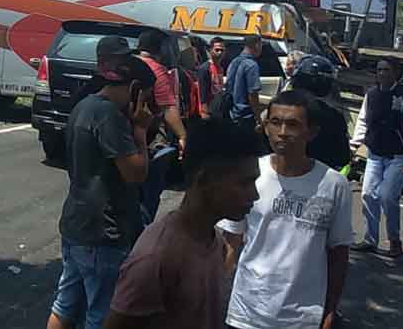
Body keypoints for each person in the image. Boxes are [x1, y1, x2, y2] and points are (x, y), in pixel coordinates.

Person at [104, 119, 263, 329]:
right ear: (204, 179)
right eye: (244, 183)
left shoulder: (214, 241)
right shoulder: (156, 258)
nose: (254, 195)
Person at [220, 90, 353, 329]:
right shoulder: (250, 174)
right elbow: (231, 241)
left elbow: (339, 253)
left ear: (311, 132)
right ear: (265, 127)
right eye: (275, 122)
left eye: (292, 125)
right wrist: (214, 294)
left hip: (302, 318)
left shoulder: (334, 185)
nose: (282, 132)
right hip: (246, 313)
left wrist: (331, 309)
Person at [48, 55, 156, 329]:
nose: (146, 105)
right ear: (134, 89)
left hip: (76, 224)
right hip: (103, 231)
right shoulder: (109, 116)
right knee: (102, 314)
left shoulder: (84, 105)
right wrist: (140, 131)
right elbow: (136, 174)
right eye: (145, 97)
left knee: (65, 305)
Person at [350, 59, 403, 258]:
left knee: (388, 197)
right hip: (375, 154)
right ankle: (370, 240)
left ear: (395, 72)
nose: (382, 73)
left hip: (397, 156)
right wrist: (354, 145)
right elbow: (362, 121)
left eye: (386, 70)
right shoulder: (371, 95)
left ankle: (394, 241)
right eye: (379, 69)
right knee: (368, 194)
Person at [136, 31, 187, 224]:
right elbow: (168, 108)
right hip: (150, 139)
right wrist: (182, 135)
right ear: (160, 49)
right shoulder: (157, 71)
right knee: (149, 193)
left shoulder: (129, 65)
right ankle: (143, 229)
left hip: (124, 138)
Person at [287, 55, 351, 171]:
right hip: (318, 177)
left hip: (281, 175)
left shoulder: (279, 108)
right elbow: (343, 158)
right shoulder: (334, 117)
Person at [227, 35, 265, 125]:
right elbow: (252, 94)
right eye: (261, 45)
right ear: (257, 45)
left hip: (231, 113)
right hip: (245, 116)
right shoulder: (251, 65)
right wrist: (258, 117)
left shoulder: (234, 62)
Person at [197, 36, 227, 112]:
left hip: (218, 107)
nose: (220, 52)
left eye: (222, 50)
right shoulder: (205, 68)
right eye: (217, 50)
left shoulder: (220, 68)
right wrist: (204, 110)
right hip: (208, 109)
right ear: (210, 50)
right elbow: (202, 91)